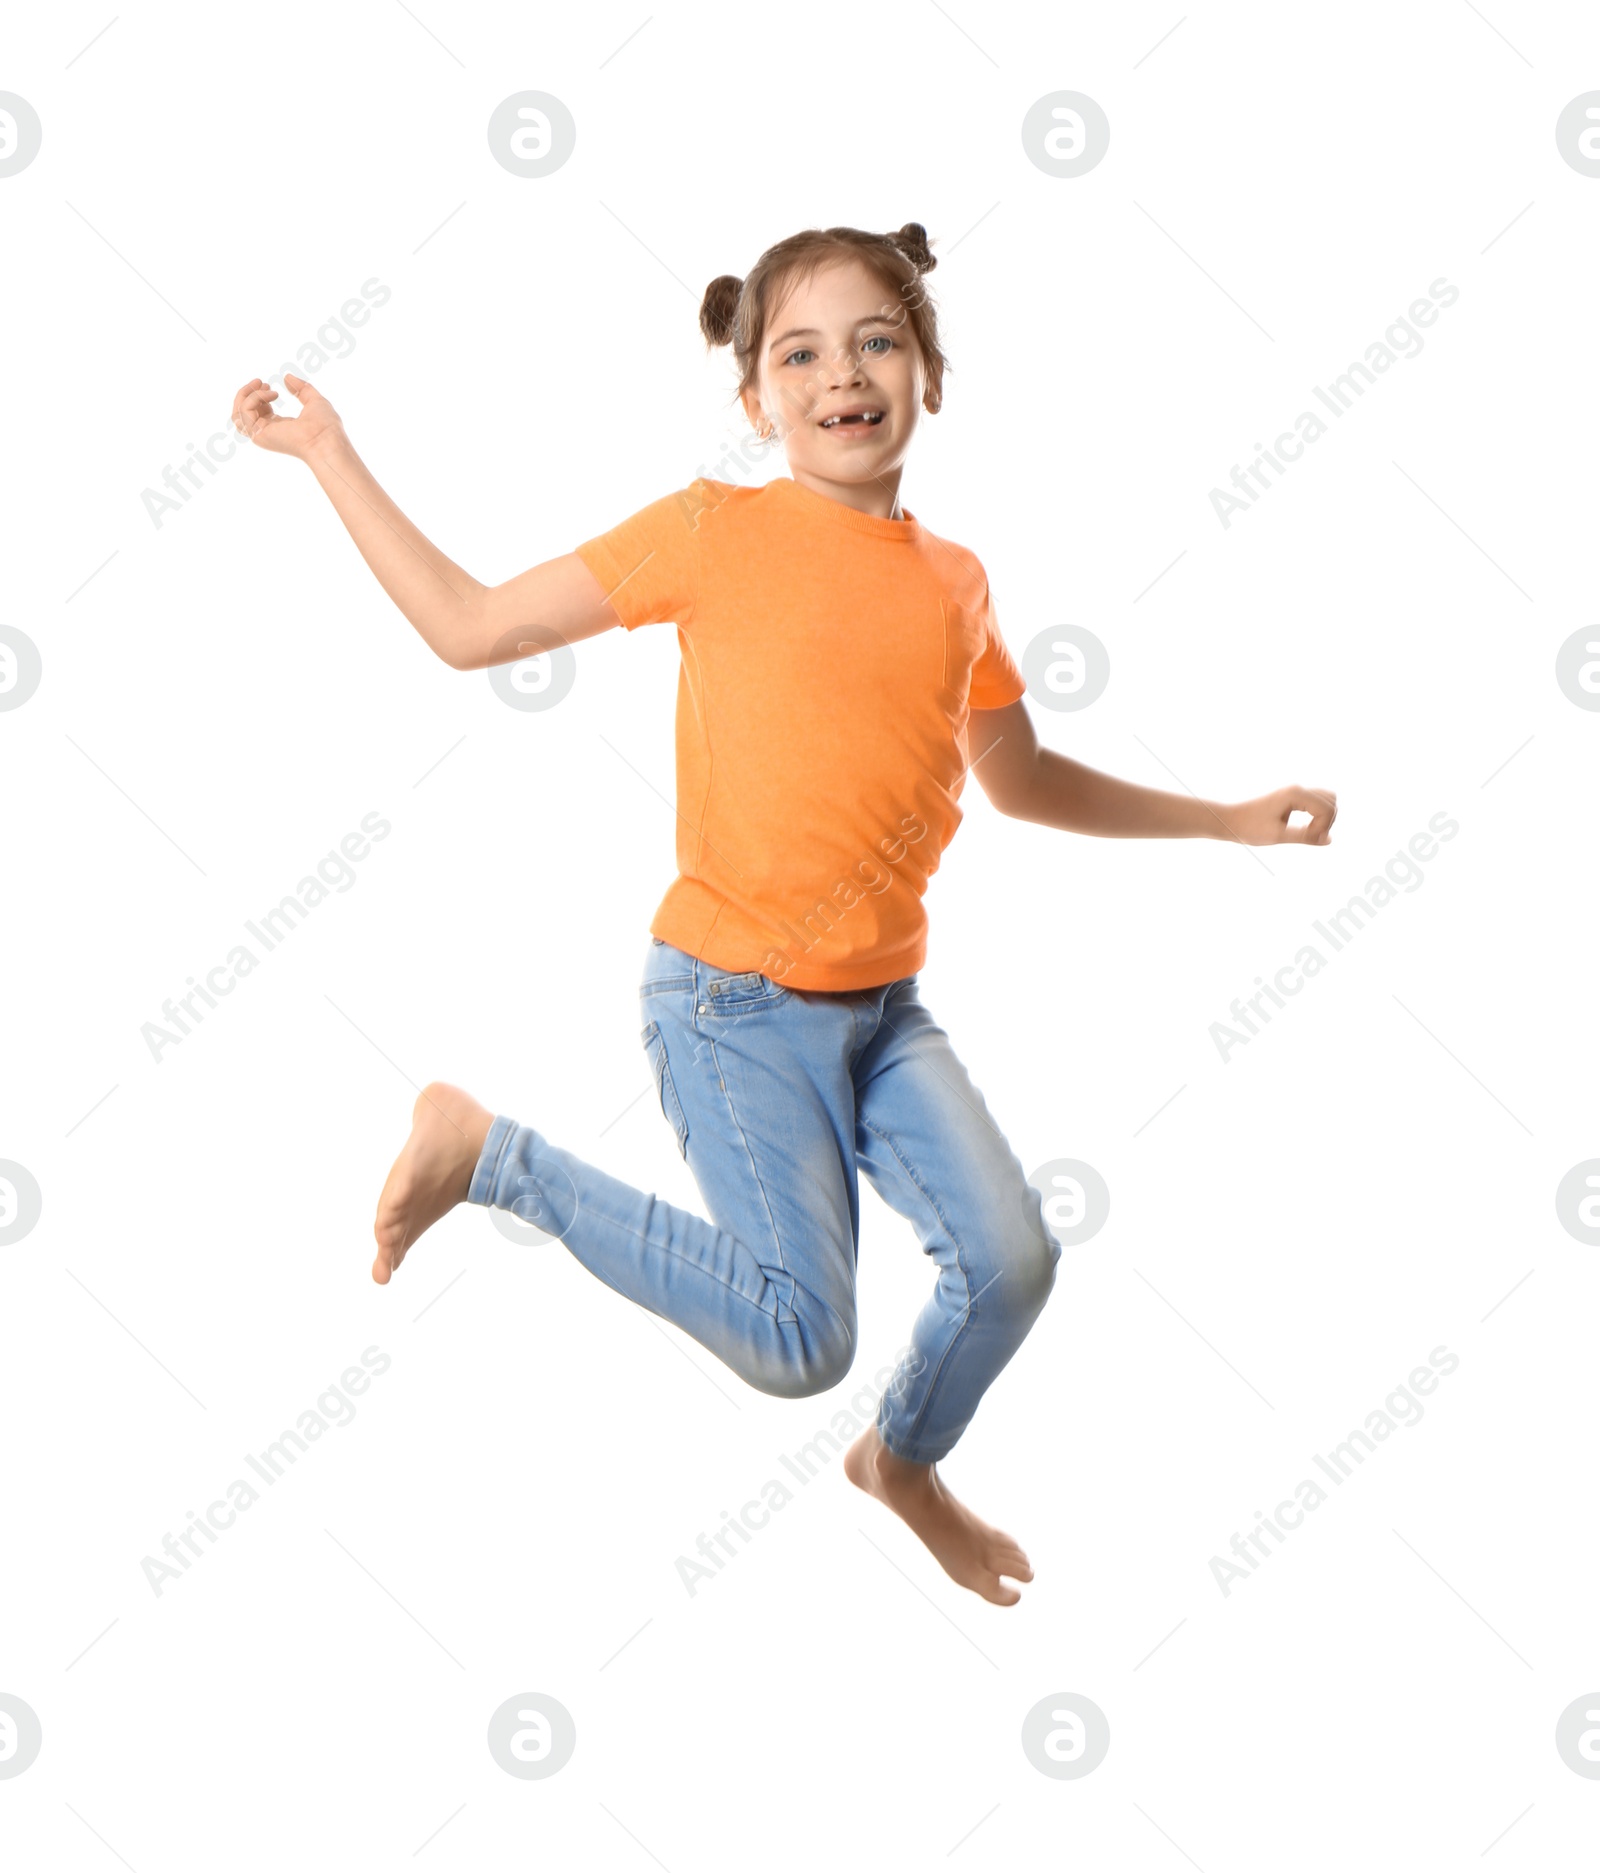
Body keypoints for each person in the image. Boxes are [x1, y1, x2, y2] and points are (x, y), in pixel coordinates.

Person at [230, 220, 1336, 1605]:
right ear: (755, 399)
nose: (842, 375)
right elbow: (470, 626)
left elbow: (1024, 775)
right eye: (799, 354)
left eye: (877, 339)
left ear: (929, 367)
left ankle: (905, 1461)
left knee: (1010, 1261)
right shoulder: (714, 531)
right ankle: (487, 1152)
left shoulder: (957, 580)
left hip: (883, 1015)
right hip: (730, 1004)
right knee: (797, 1337)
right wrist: (330, 452)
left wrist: (1226, 816)